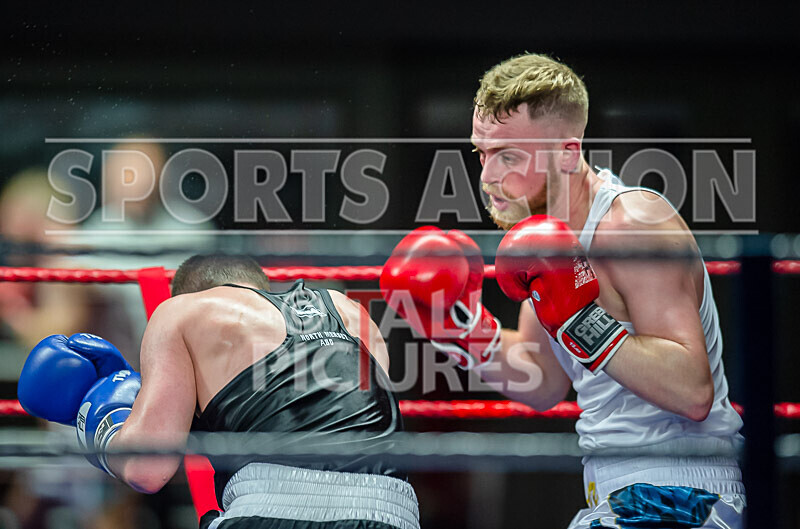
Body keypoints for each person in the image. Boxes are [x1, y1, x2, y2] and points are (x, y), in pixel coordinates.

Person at [381, 53, 744, 528]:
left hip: (685, 494)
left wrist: (580, 320)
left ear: (568, 153)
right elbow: (543, 381)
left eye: (508, 156)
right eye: (482, 153)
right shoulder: (547, 244)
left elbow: (693, 392)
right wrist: (455, 325)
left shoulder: (633, 224)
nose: (487, 177)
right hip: (620, 497)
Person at [18, 254, 420, 529]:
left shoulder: (183, 311)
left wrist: (103, 419)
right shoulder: (348, 309)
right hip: (393, 511)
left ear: (190, 293)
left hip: (271, 507)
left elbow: (147, 468)